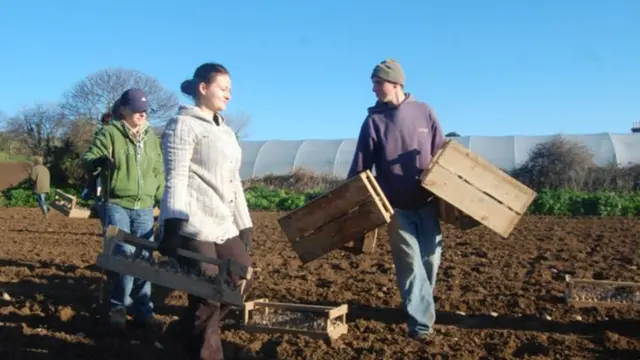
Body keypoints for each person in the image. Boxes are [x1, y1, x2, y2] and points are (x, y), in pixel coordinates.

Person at [158, 62, 254, 360]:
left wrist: (244, 224)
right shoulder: (182, 125)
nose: (228, 95)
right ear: (203, 88)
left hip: (223, 222)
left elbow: (233, 181)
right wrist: (173, 223)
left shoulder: (225, 131)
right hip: (193, 222)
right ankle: (207, 353)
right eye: (223, 88)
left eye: (230, 90)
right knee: (208, 290)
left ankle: (184, 330)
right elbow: (175, 176)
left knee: (243, 279)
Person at [347, 59, 446, 339]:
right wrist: (349, 204)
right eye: (373, 84)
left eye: (378, 83)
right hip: (395, 206)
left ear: (396, 83)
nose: (374, 89)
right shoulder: (374, 121)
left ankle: (421, 305)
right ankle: (421, 325)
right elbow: (360, 167)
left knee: (431, 259)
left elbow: (441, 153)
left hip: (426, 202)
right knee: (410, 263)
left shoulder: (424, 112)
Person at [82, 88, 165, 330]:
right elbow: (87, 158)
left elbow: (158, 170)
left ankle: (143, 309)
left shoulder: (151, 137)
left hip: (145, 205)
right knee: (124, 253)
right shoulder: (109, 133)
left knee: (145, 256)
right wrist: (96, 162)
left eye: (145, 109)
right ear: (123, 110)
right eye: (137, 108)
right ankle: (118, 306)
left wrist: (161, 198)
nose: (142, 113)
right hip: (116, 202)